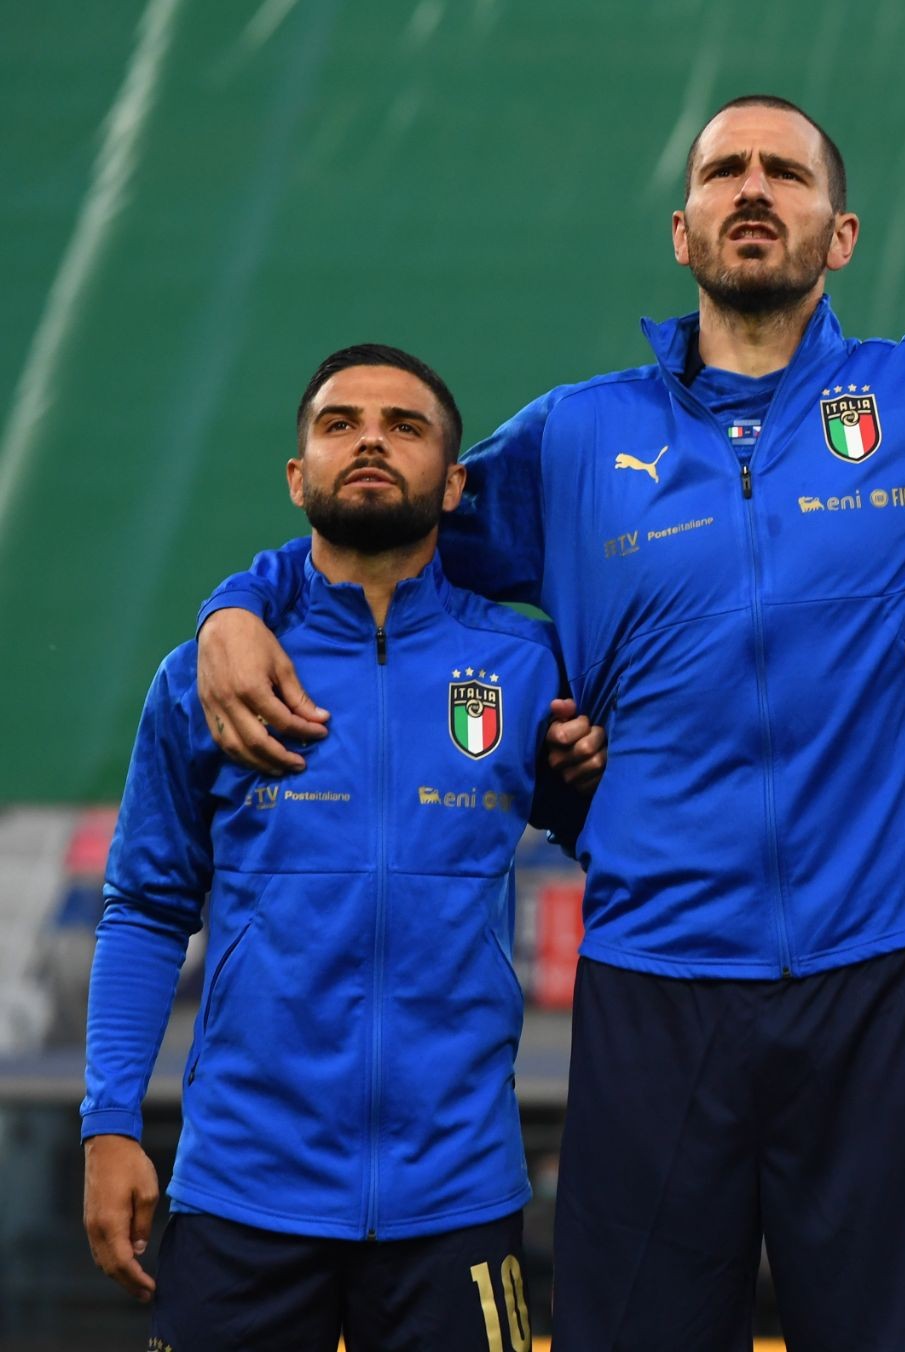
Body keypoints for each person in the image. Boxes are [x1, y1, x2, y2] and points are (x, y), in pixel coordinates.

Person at [187, 97, 905, 1350]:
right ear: (681, 229)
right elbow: (384, 516)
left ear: (839, 232)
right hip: (656, 979)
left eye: (785, 172)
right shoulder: (580, 436)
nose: (753, 188)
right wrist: (238, 605)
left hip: (881, 978)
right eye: (724, 171)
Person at [81, 345, 576, 1351]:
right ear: (297, 475)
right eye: (340, 423)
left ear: (455, 482)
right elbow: (144, 910)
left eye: (404, 425)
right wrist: (109, 1123)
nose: (371, 442)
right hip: (242, 1189)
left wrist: (591, 777)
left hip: (456, 1193)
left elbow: (620, 839)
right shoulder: (209, 676)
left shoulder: (527, 665)